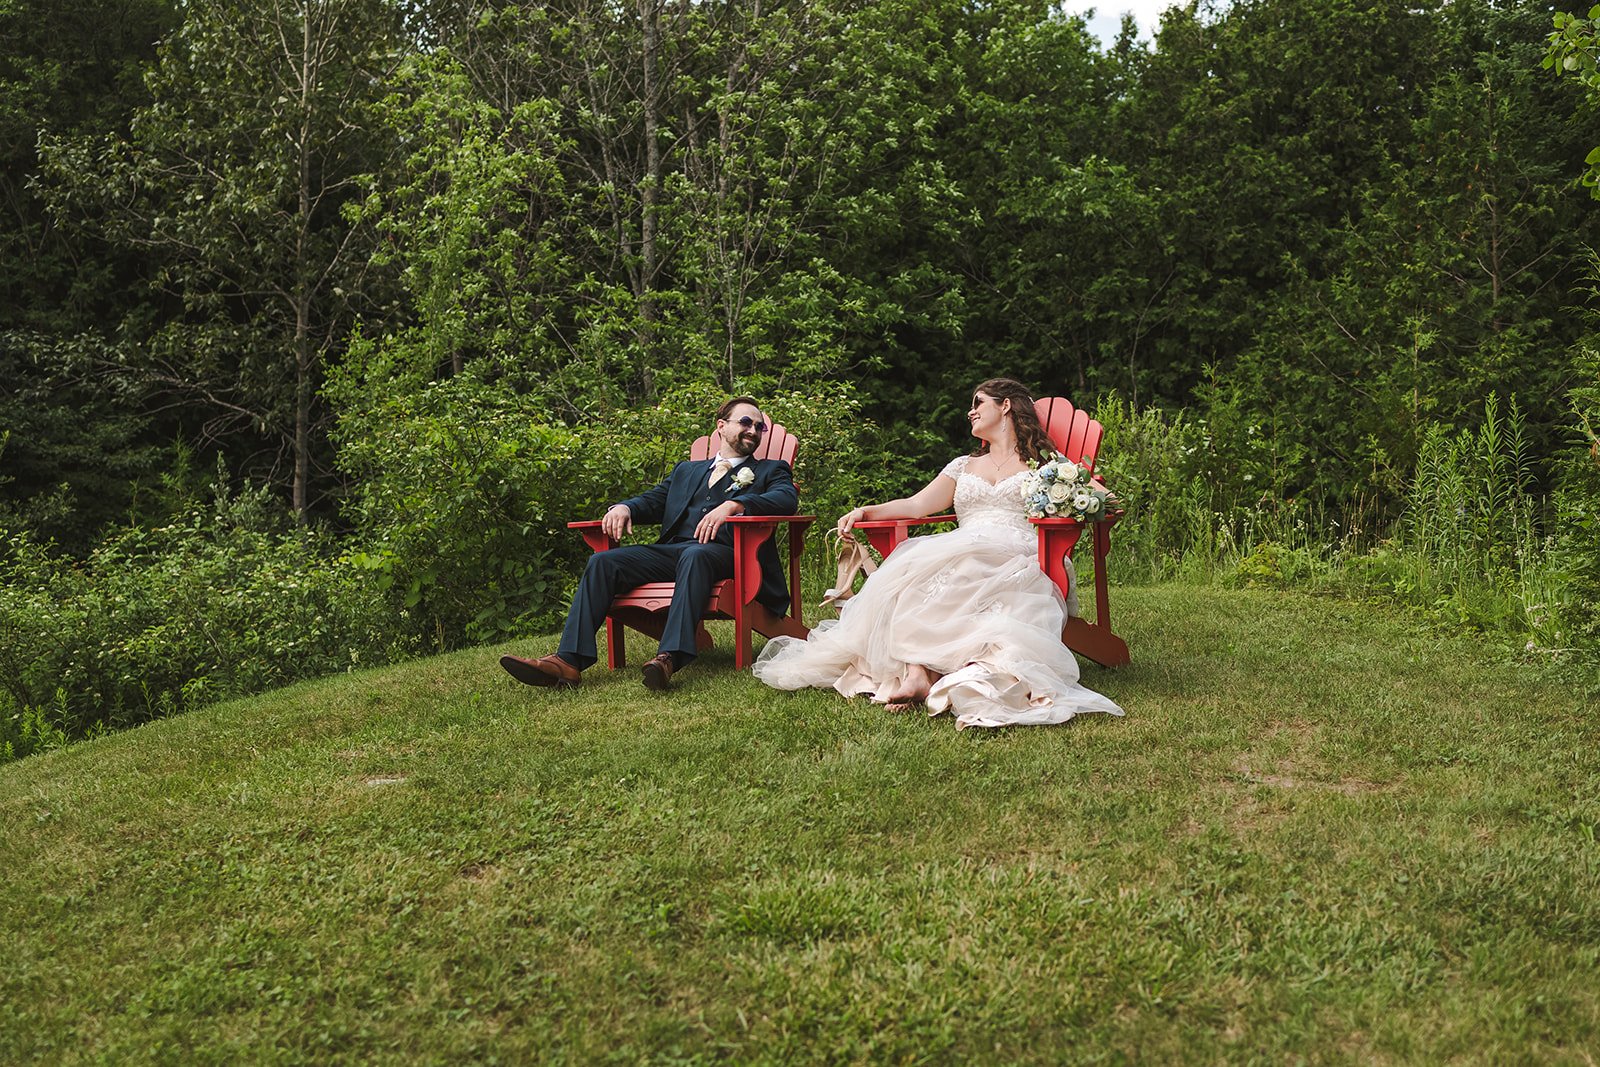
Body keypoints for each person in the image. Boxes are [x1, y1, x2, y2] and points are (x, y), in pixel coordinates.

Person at [752, 378, 1122, 729]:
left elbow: (1104, 499)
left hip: (1020, 550)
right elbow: (916, 505)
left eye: (978, 403)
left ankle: (933, 671)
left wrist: (1080, 500)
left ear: (1006, 406)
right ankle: (915, 673)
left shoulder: (1045, 465)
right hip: (964, 544)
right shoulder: (964, 465)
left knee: (951, 568)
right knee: (912, 573)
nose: (971, 412)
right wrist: (866, 512)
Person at [501, 396, 798, 692]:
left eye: (760, 427)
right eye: (746, 422)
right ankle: (567, 662)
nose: (754, 431)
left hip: (732, 554)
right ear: (721, 426)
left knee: (695, 555)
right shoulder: (687, 471)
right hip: (676, 552)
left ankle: (669, 658)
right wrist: (624, 508)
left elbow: (786, 499)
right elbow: (654, 500)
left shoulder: (770, 470)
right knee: (603, 562)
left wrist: (736, 504)